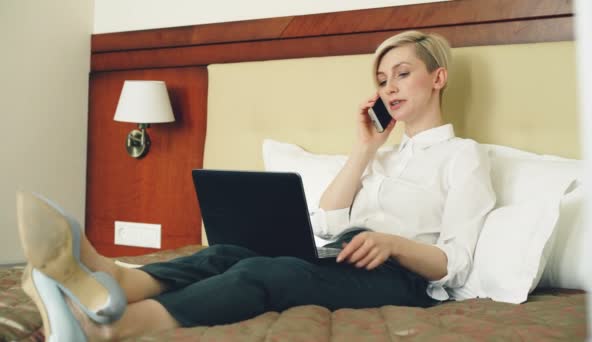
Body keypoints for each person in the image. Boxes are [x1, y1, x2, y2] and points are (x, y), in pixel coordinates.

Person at [16, 30, 496, 341]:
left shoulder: (465, 157)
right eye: (382, 79)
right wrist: (364, 150)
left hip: (402, 279)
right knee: (229, 253)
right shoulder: (382, 155)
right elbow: (328, 220)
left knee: (267, 274)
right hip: (342, 255)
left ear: (438, 77)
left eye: (403, 74)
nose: (389, 87)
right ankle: (114, 278)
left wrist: (392, 244)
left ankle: (113, 328)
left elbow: (456, 264)